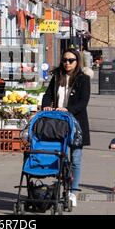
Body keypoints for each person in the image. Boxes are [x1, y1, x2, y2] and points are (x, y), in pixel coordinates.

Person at [41, 48, 91, 207]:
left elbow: (83, 102)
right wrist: (46, 106)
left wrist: (69, 110)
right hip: (58, 123)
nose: (67, 63)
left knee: (76, 159)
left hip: (76, 123)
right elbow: (48, 95)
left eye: (71, 60)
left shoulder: (83, 79)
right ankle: (62, 185)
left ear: (77, 62)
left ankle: (73, 192)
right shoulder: (57, 77)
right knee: (61, 157)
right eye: (65, 60)